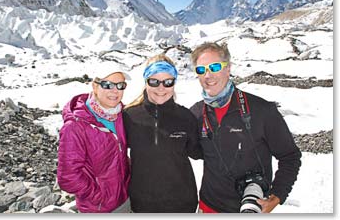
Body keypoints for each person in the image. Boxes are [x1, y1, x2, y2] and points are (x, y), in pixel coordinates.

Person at [189, 42, 302, 213]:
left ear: (228, 69)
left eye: (214, 67)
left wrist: (277, 195)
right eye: (201, 70)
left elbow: (290, 156)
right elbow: (196, 151)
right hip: (207, 207)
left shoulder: (261, 111)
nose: (208, 75)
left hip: (249, 209)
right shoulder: (197, 113)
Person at [123, 54, 202, 213]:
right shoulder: (129, 117)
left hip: (182, 204)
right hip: (142, 204)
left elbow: (199, 152)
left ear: (174, 83)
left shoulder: (186, 117)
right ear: (146, 82)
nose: (161, 88)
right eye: (154, 81)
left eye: (168, 82)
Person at [57, 70, 131, 213]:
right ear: (95, 86)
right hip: (99, 208)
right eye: (108, 85)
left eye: (120, 85)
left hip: (124, 199)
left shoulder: (121, 114)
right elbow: (67, 177)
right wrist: (98, 196)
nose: (115, 91)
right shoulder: (75, 126)